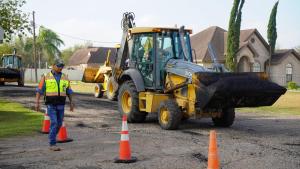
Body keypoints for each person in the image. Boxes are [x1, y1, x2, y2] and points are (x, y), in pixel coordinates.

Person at [35, 59, 74, 151]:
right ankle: (52, 143)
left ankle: (52, 137)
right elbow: (39, 91)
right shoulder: (46, 77)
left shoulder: (65, 77)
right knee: (54, 123)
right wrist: (37, 103)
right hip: (51, 105)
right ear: (53, 65)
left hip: (61, 104)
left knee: (59, 124)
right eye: (58, 66)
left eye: (62, 66)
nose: (60, 68)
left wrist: (72, 102)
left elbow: (69, 91)